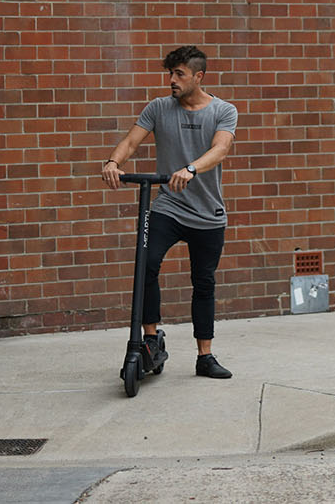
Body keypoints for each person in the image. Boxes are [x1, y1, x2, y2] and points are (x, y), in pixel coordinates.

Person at [102, 46, 239, 379]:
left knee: (203, 282)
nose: (172, 80)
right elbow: (131, 142)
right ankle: (150, 340)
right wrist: (113, 162)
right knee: (146, 263)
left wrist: (191, 169)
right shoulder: (159, 108)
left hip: (207, 212)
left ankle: (204, 356)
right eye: (170, 73)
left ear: (198, 76)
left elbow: (221, 149)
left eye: (179, 74)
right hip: (169, 206)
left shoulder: (223, 111)